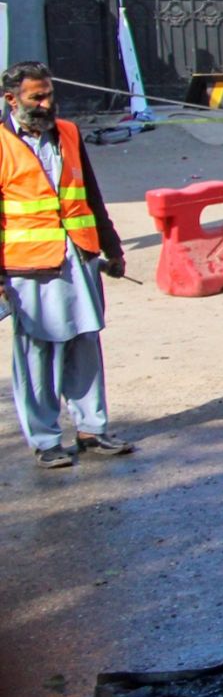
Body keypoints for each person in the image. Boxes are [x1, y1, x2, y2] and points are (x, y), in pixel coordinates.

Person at [0, 62, 132, 468]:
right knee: (38, 353)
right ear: (11, 99)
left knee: (85, 341)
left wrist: (112, 249)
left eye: (49, 95)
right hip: (28, 266)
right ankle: (45, 439)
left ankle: (92, 428)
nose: (46, 104)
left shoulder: (69, 133)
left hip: (78, 255)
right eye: (36, 97)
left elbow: (91, 194)